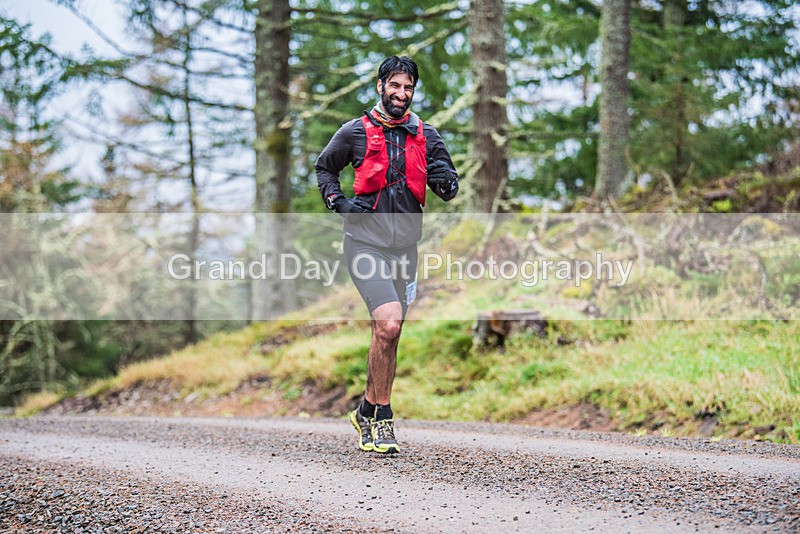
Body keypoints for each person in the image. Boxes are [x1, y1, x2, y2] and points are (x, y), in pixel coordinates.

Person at [315, 55, 458, 453]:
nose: (401, 94)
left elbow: (446, 177)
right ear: (380, 86)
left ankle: (365, 411)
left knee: (388, 334)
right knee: (389, 322)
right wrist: (339, 203)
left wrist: (446, 183)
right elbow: (325, 168)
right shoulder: (354, 132)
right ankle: (384, 419)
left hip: (405, 247)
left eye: (408, 88)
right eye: (394, 86)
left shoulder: (426, 134)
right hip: (363, 243)